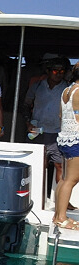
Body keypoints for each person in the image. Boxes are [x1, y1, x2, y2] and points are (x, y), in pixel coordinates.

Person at [25, 57, 67, 184]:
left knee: (60, 166)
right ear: (48, 71)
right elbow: (26, 105)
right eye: (55, 71)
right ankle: (39, 193)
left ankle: (59, 195)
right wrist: (28, 122)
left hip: (58, 133)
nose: (58, 74)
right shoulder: (37, 86)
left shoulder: (67, 88)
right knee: (40, 165)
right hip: (38, 132)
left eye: (62, 71)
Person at [53, 62, 79, 230]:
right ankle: (62, 218)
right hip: (76, 138)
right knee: (72, 179)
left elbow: (61, 115)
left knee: (64, 179)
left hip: (65, 138)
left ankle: (58, 215)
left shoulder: (66, 90)